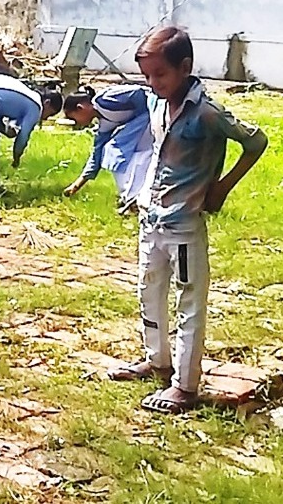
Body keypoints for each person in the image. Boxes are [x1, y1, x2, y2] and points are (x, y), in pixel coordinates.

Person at [108, 27, 267, 414]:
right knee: (148, 291)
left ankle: (185, 385)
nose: (153, 83)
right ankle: (157, 360)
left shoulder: (207, 114)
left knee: (188, 302)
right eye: (147, 76)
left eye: (160, 74)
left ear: (185, 67)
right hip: (153, 219)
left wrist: (222, 187)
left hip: (183, 225)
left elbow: (256, 141)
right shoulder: (157, 104)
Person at [62, 84, 154, 207]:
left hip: (153, 112)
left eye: (74, 118)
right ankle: (130, 195)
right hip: (145, 123)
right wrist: (77, 185)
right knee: (113, 152)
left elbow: (138, 93)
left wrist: (143, 119)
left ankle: (132, 197)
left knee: (126, 150)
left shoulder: (105, 99)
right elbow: (97, 154)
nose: (77, 123)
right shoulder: (105, 124)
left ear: (80, 108)